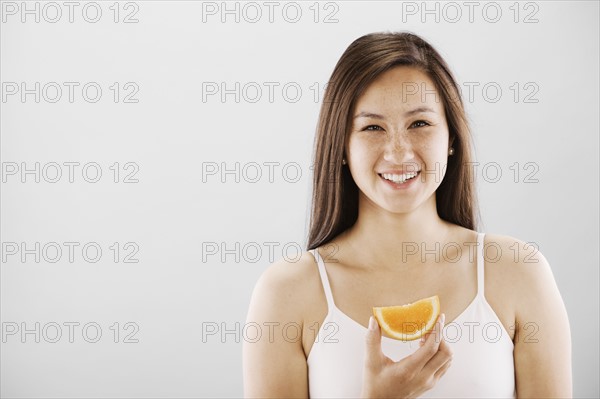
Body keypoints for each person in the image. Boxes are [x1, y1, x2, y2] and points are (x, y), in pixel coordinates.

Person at [243, 32, 572, 398]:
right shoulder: (285, 293)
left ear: (451, 138)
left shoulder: (519, 272)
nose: (398, 153)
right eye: (372, 128)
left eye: (419, 124)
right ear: (341, 147)